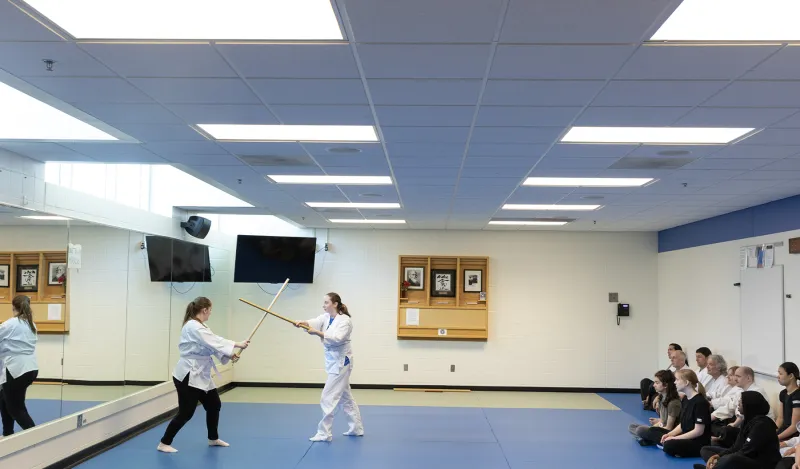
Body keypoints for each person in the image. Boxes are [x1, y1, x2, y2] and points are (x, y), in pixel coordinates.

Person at [157, 297, 250, 453]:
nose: (210, 313)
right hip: (188, 375)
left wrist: (230, 355)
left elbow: (211, 346)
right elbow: (213, 341)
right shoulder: (193, 326)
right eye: (210, 310)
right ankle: (164, 443)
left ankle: (213, 439)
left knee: (214, 405)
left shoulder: (202, 326)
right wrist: (237, 343)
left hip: (200, 374)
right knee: (186, 412)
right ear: (204, 310)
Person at [296, 292, 364, 442]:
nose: (324, 305)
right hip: (333, 361)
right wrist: (302, 322)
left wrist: (318, 333)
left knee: (327, 396)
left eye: (326, 302)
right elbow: (313, 322)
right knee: (346, 396)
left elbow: (337, 339)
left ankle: (324, 433)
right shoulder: (326, 317)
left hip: (342, 362)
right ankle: (356, 428)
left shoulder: (345, 321)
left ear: (335, 304)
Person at [695, 391, 781, 469]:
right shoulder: (747, 420)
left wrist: (723, 458)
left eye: (741, 402)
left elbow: (747, 451)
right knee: (705, 450)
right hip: (746, 456)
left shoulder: (762, 425)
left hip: (760, 462)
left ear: (749, 405)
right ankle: (716, 466)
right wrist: (717, 456)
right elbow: (736, 447)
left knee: (731, 458)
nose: (738, 404)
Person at [0, 295, 38, 436]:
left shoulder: (11, 323)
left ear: (13, 307)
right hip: (30, 369)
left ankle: (35, 438)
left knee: (15, 408)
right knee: (4, 399)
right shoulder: (31, 324)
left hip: (16, 370)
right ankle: (8, 434)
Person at [660, 369, 712, 458]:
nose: (675, 382)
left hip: (698, 442)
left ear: (686, 382)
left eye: (677, 379)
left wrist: (674, 438)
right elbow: (682, 424)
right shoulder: (685, 399)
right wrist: (670, 434)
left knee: (669, 445)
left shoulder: (700, 402)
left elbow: (698, 431)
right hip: (686, 436)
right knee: (661, 435)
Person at [630, 369, 681, 446]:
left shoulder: (673, 403)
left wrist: (654, 428)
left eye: (657, 383)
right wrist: (658, 422)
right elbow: (663, 421)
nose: (654, 385)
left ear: (665, 385)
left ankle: (648, 439)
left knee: (640, 430)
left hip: (669, 432)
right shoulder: (661, 398)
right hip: (662, 427)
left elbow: (669, 428)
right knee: (632, 426)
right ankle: (647, 439)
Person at [776, 362, 800, 442]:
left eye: (781, 374)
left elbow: (794, 427)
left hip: (793, 435)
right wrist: (772, 432)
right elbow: (780, 419)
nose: (778, 376)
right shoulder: (783, 393)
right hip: (784, 430)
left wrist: (776, 438)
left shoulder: (797, 396)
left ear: (791, 376)